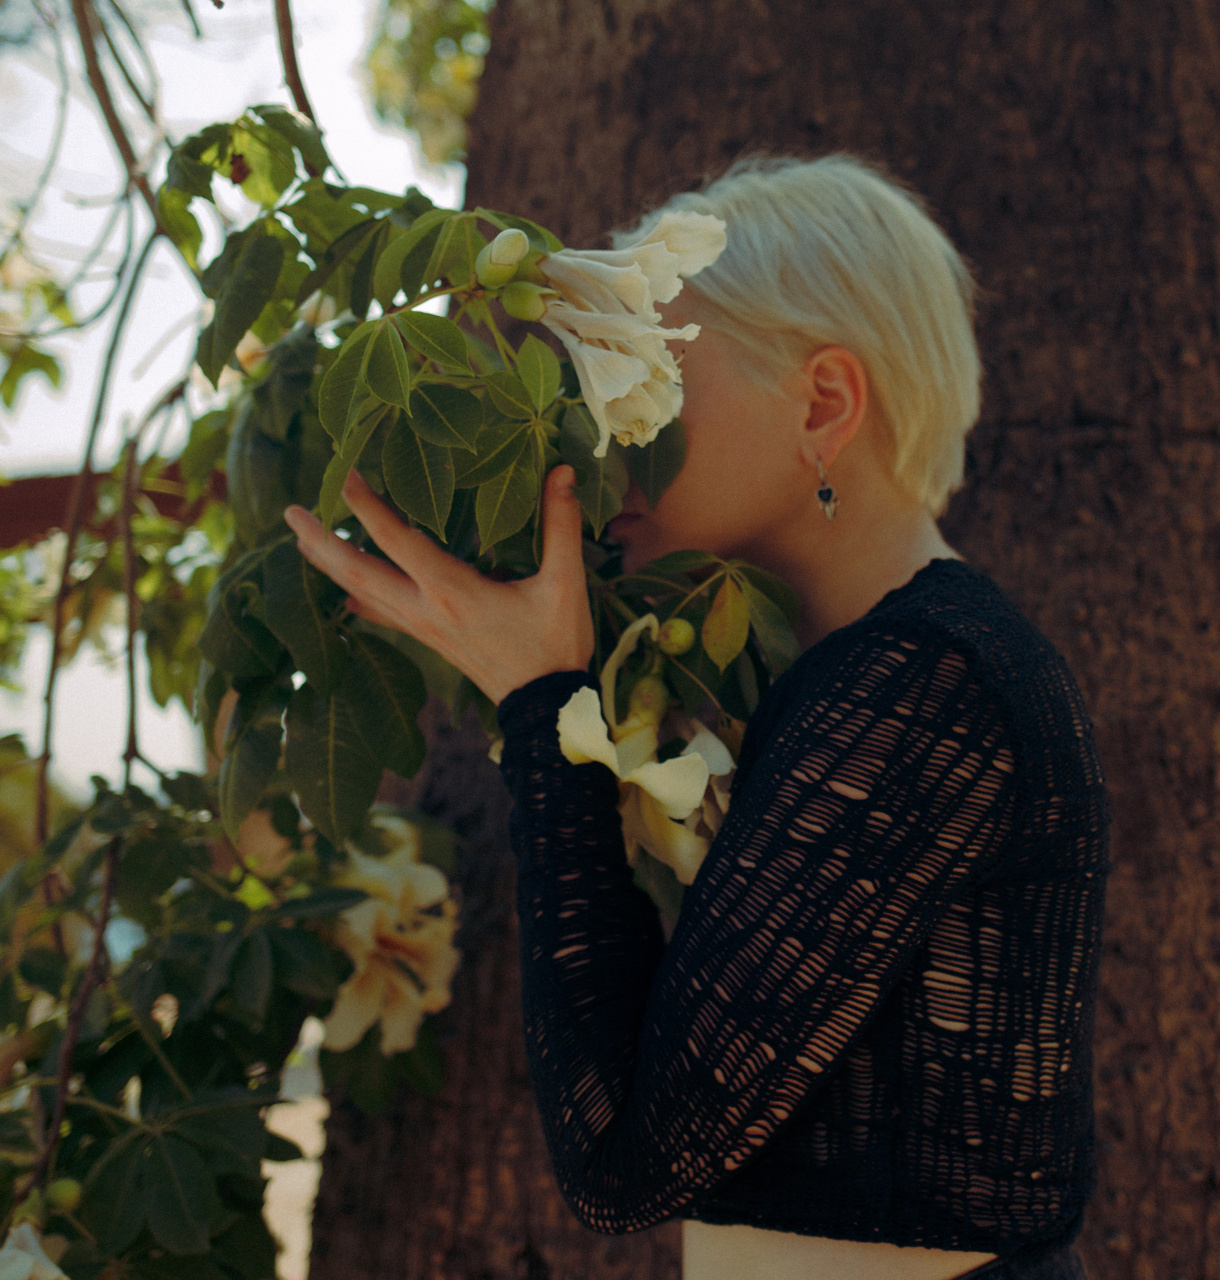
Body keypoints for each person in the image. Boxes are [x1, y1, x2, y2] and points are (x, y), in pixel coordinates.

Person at [282, 154, 1109, 1280]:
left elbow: (623, 1162)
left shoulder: (931, 685)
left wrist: (545, 708)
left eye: (649, 380)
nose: (608, 433)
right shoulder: (866, 671)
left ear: (824, 404)